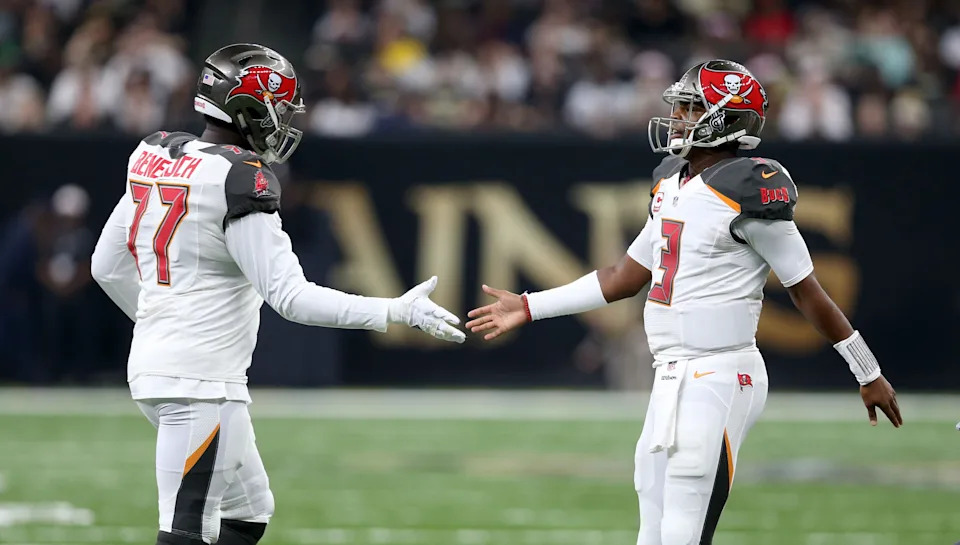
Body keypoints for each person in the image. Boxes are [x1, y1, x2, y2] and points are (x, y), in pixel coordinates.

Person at [466, 59, 901, 545]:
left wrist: (867, 371)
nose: (677, 118)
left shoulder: (748, 190)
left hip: (721, 372)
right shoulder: (673, 182)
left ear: (727, 118)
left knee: (683, 529)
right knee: (652, 525)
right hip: (671, 374)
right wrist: (528, 307)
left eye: (691, 108)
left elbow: (806, 291)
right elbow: (622, 278)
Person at [91, 43, 464, 545]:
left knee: (247, 512)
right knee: (186, 531)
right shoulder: (240, 178)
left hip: (161, 369)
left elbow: (106, 266)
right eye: (281, 108)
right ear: (250, 107)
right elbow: (291, 297)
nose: (285, 120)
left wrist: (161, 323)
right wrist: (396, 309)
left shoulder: (155, 152)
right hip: (201, 382)